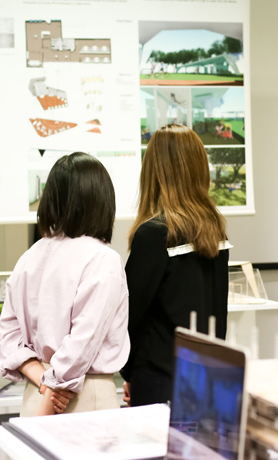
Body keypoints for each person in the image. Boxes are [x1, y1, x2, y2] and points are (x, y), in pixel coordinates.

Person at [0, 152, 129, 417]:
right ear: (102, 200)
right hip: (82, 398)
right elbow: (83, 343)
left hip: (38, 392)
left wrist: (43, 380)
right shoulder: (103, 259)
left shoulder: (30, 256)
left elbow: (7, 337)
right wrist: (54, 389)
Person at [121, 124, 230, 407]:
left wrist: (128, 372)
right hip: (206, 377)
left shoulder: (154, 234)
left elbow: (129, 313)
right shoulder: (215, 231)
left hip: (159, 381)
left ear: (154, 170)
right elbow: (219, 310)